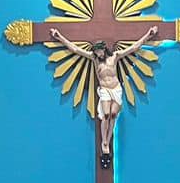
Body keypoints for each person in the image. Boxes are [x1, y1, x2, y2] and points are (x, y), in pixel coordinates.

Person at [51, 25, 159, 160]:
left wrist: (149, 35)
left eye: (99, 51)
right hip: (104, 90)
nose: (98, 54)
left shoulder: (114, 57)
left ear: (104, 49)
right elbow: (75, 49)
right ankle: (104, 142)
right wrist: (59, 37)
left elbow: (133, 48)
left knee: (113, 115)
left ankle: (108, 139)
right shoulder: (94, 59)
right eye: (96, 52)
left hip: (116, 89)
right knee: (106, 114)